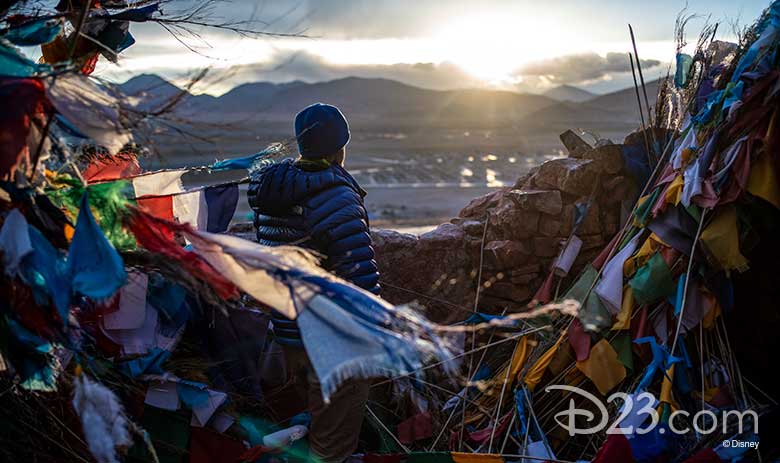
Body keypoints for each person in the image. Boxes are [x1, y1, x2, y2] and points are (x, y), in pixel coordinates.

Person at [247, 103, 380, 463]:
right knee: (332, 443)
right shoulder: (336, 196)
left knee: (316, 422)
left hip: (290, 333)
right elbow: (359, 278)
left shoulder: (273, 192)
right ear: (341, 148)